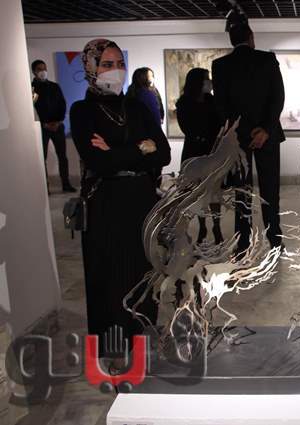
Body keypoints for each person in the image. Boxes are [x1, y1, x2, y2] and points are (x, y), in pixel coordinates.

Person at [70, 39, 171, 367]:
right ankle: (114, 350)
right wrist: (140, 148)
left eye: (119, 63)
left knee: (144, 272)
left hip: (142, 199)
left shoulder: (137, 107)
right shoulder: (83, 111)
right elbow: (98, 163)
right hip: (106, 203)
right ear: (91, 68)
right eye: (107, 64)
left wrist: (116, 151)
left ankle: (143, 338)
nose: (116, 71)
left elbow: (164, 152)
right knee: (110, 277)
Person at [212, 9, 285, 252]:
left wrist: (244, 132)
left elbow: (222, 107)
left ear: (231, 40)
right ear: (251, 36)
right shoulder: (268, 59)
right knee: (270, 189)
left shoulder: (220, 65)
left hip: (239, 138)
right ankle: (274, 239)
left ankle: (243, 242)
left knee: (241, 191)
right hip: (268, 136)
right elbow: (278, 98)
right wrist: (265, 129)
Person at [176, 67, 223, 244]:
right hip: (194, 152)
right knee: (198, 193)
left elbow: (220, 123)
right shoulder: (184, 103)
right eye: (206, 79)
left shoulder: (212, 100)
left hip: (212, 151)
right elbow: (187, 127)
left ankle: (216, 226)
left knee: (215, 191)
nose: (209, 82)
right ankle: (203, 226)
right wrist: (203, 134)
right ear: (197, 82)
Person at [31, 59, 76, 193]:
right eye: (39, 69)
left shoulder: (54, 86)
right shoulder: (32, 88)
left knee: (62, 156)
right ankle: (45, 188)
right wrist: (44, 123)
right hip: (42, 128)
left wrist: (58, 121)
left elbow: (62, 104)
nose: (43, 71)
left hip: (58, 126)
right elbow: (33, 107)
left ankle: (66, 184)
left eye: (44, 68)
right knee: (42, 158)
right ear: (34, 71)